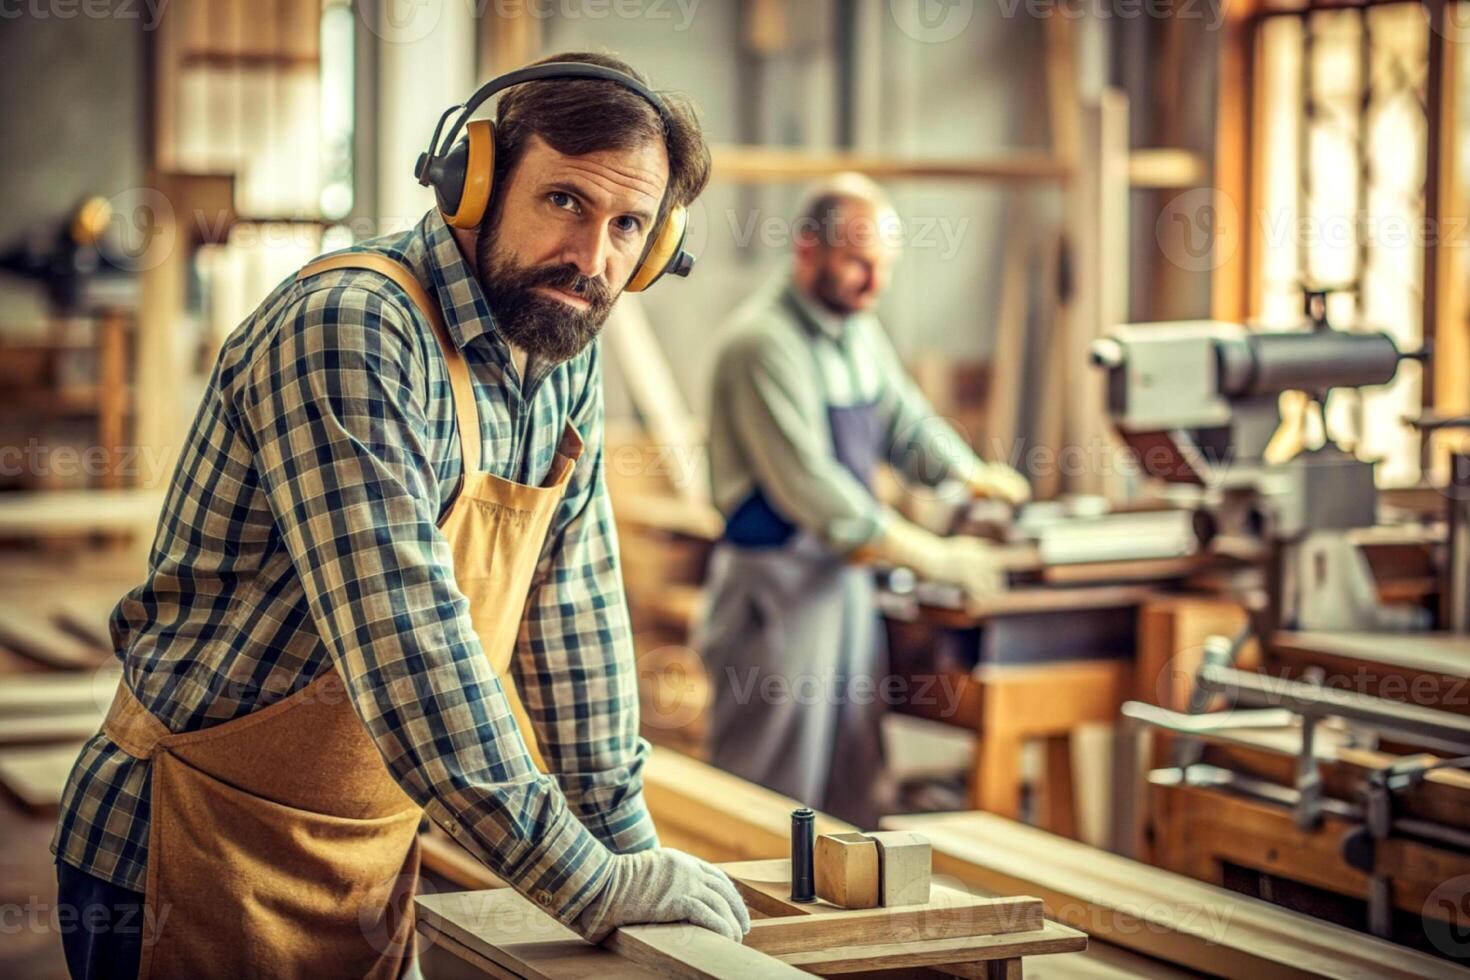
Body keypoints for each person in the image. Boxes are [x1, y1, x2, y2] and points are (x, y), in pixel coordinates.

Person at [52, 53, 750, 979]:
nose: (593, 260)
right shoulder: (352, 330)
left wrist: (629, 856)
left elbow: (574, 617)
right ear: (477, 181)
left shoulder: (560, 344)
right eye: (564, 202)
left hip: (369, 858)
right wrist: (585, 883)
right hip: (184, 849)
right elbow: (410, 649)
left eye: (629, 226)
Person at [698, 173, 1030, 827]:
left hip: (843, 585)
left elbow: (907, 424)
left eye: (883, 266)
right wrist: (934, 556)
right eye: (858, 263)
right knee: (770, 793)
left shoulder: (857, 334)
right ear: (806, 251)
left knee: (852, 785)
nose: (874, 284)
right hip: (777, 595)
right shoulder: (763, 345)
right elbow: (814, 491)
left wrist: (966, 476)